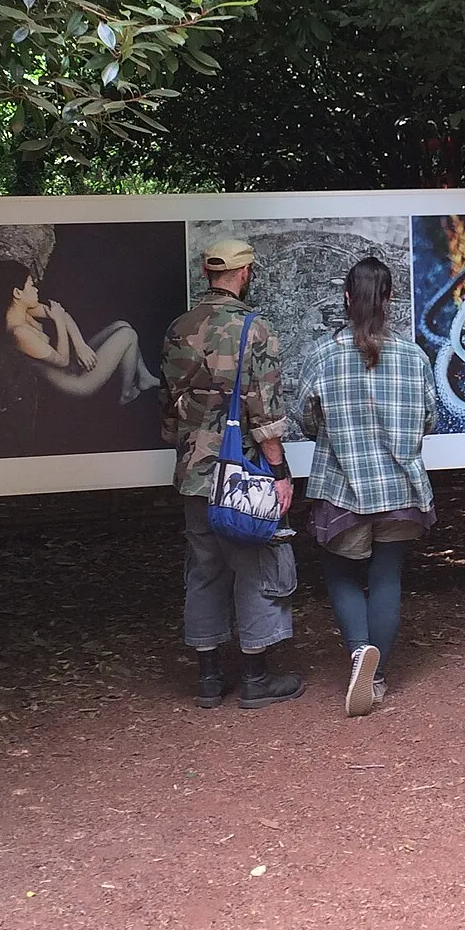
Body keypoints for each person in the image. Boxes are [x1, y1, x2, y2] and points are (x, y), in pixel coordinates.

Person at [161, 238, 305, 710]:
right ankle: (257, 679)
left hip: (194, 472)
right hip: (243, 472)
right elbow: (265, 413)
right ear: (244, 273)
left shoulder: (179, 328)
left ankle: (207, 680)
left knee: (203, 569)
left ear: (208, 273)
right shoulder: (254, 329)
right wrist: (281, 472)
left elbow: (171, 407)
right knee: (255, 563)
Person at [299, 256, 437, 718]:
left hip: (341, 485)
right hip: (400, 486)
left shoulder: (323, 354)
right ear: (390, 299)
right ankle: (375, 679)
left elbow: (305, 419)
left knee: (339, 572)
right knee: (387, 576)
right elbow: (429, 420)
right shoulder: (414, 356)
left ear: (346, 297)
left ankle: (361, 651)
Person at [4, 274, 159, 402]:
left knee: (121, 324)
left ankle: (144, 377)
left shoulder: (23, 311)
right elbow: (62, 361)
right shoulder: (19, 332)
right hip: (77, 383)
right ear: (17, 293)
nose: (36, 289)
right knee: (128, 335)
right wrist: (57, 321)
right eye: (31, 285)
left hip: (73, 367)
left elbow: (63, 315)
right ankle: (126, 393)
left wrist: (80, 345)